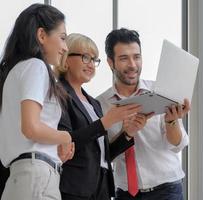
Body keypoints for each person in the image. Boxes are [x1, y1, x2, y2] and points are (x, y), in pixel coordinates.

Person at [54, 33, 151, 200]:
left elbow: (102, 155)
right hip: (75, 189)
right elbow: (66, 142)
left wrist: (127, 134)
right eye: (85, 57)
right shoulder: (57, 94)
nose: (91, 64)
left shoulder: (94, 103)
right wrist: (106, 122)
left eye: (94, 59)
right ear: (66, 59)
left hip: (101, 188)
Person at [97, 28, 191, 200]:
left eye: (137, 56)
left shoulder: (160, 91)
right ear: (111, 63)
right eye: (124, 58)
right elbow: (103, 156)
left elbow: (178, 144)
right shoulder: (101, 104)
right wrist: (125, 134)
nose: (132, 64)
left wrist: (172, 121)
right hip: (126, 193)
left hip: (167, 190)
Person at [0, 3, 74, 200]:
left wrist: (54, 148)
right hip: (36, 178)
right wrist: (65, 137)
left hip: (23, 177)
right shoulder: (36, 67)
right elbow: (31, 127)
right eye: (63, 38)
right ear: (42, 35)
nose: (65, 47)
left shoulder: (15, 71)